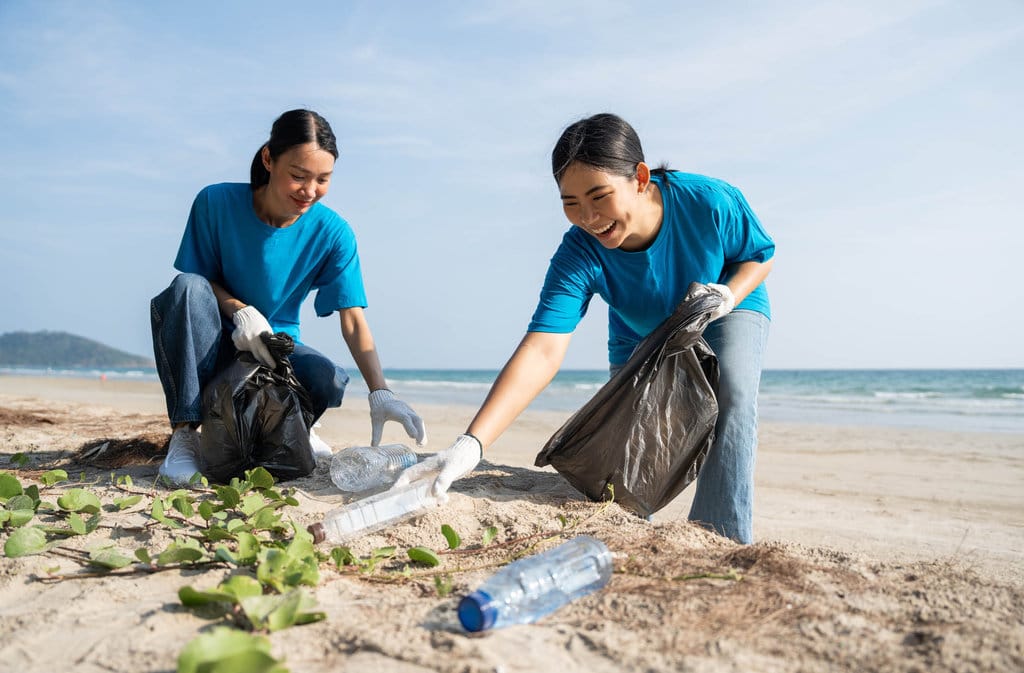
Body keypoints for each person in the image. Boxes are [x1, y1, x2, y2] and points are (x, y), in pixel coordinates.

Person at [397, 113, 774, 544]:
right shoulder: (578, 253)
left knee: (734, 396)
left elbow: (759, 254)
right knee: (631, 431)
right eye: (570, 203)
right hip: (639, 325)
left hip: (724, 303)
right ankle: (631, 534)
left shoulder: (709, 200)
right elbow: (542, 348)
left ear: (639, 177)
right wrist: (470, 446)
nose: (589, 217)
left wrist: (726, 295)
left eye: (599, 196)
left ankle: (720, 537)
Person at [150, 109, 426, 486]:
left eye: (323, 179)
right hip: (211, 347)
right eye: (298, 176)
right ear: (268, 159)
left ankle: (295, 422)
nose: (309, 191)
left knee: (330, 378)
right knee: (185, 288)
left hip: (275, 354)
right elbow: (195, 281)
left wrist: (381, 392)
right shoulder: (214, 203)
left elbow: (353, 319)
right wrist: (241, 311)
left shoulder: (333, 233)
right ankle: (185, 435)